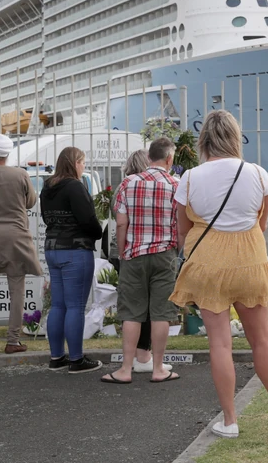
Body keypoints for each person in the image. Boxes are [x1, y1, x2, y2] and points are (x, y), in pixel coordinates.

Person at [169, 110, 268, 438]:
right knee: (260, 340)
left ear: (204, 141)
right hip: (249, 262)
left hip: (208, 265)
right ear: (234, 137)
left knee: (220, 344)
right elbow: (260, 223)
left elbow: (183, 230)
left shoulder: (190, 178)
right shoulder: (258, 174)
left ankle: (229, 421)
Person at [103, 138, 180, 384]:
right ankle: (158, 368)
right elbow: (181, 223)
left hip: (134, 254)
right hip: (164, 253)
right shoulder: (176, 184)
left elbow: (121, 222)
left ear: (148, 158)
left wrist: (124, 250)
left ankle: (125, 369)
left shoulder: (128, 183)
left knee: (132, 313)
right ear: (169, 159)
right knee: (160, 313)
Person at [0, 133, 42, 355]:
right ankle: (13, 340)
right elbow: (31, 201)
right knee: (17, 289)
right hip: (16, 238)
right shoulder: (21, 174)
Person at [40, 146, 104, 373]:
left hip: (52, 248)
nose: (84, 166)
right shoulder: (75, 186)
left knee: (58, 305)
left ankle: (56, 357)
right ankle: (76, 360)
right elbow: (88, 219)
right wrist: (99, 233)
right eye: (83, 162)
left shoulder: (48, 186)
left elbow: (46, 217)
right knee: (76, 306)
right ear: (75, 163)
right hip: (75, 249)